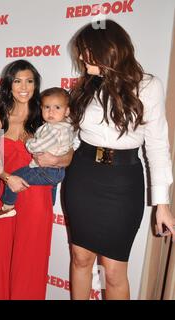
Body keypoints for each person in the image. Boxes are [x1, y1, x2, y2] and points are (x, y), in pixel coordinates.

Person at [64, 20, 174, 300]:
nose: (80, 57)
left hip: (123, 183)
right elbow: (76, 135)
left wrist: (162, 204)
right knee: (80, 257)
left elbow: (158, 146)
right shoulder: (86, 86)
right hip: (83, 176)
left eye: (86, 50)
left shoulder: (148, 86)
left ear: (107, 50)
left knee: (113, 271)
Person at [0, 59, 72, 299]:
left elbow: (68, 154)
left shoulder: (46, 115)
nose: (24, 87)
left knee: (30, 258)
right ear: (8, 85)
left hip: (37, 198)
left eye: (30, 81)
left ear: (36, 85)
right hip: (7, 193)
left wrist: (56, 160)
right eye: (18, 81)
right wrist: (6, 177)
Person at [0, 87, 73, 218]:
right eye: (47, 107)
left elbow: (37, 147)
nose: (51, 112)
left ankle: (8, 205)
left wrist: (28, 140)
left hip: (41, 175)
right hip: (37, 178)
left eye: (57, 108)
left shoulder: (49, 126)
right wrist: (6, 177)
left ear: (67, 111)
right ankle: (50, 205)